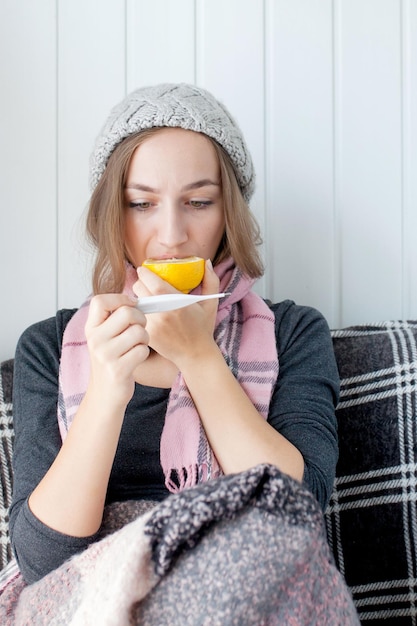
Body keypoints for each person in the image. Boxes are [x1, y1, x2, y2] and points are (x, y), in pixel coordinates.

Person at [2, 83, 359, 624]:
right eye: (141, 204)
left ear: (229, 212)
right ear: (111, 215)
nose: (171, 235)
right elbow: (42, 561)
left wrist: (200, 359)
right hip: (89, 593)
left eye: (198, 202)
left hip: (248, 585)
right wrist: (107, 391)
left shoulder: (293, 332)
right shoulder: (49, 347)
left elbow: (298, 511)